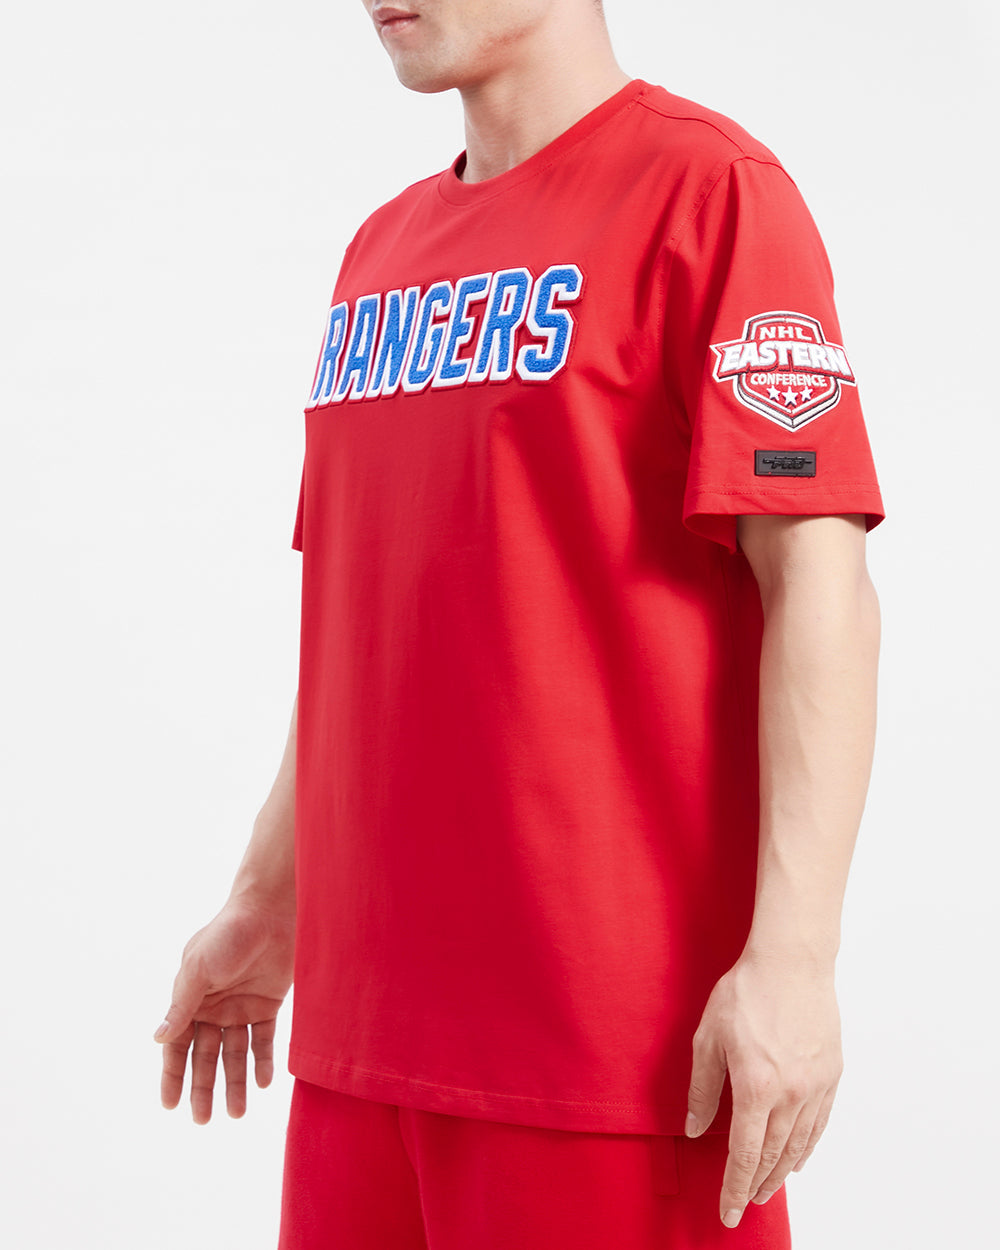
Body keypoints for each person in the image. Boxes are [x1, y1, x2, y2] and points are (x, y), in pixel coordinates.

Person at [154, 2, 884, 1247]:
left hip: (606, 1056)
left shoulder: (709, 192)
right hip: (359, 1046)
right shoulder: (379, 251)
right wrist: (267, 899)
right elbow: (368, 623)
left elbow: (819, 587)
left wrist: (795, 959)